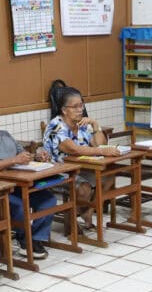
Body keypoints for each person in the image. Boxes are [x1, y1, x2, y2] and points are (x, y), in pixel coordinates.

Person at [0, 102, 55, 260]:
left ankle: (35, 238)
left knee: (48, 199)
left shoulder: (4, 134)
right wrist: (14, 160)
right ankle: (24, 239)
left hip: (17, 183)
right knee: (19, 205)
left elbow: (22, 154)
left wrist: (37, 156)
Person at [42, 87, 121, 233]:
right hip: (59, 172)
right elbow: (72, 149)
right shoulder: (56, 125)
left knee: (109, 176)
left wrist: (95, 125)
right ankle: (75, 221)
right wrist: (102, 151)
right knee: (84, 187)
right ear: (65, 110)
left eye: (81, 105)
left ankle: (87, 213)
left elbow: (100, 144)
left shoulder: (82, 124)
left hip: (81, 168)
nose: (80, 110)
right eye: (75, 106)